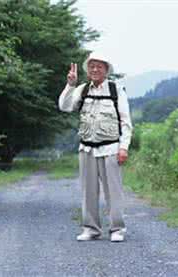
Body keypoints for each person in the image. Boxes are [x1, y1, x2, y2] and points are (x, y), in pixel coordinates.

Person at [58, 52, 132, 242]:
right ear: (87, 69)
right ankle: (91, 229)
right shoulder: (81, 89)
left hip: (111, 149)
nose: (95, 69)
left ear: (107, 69)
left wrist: (124, 147)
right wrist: (70, 84)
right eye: (92, 66)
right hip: (87, 149)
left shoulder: (116, 90)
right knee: (88, 191)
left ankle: (117, 229)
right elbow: (64, 107)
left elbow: (126, 122)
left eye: (99, 66)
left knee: (113, 192)